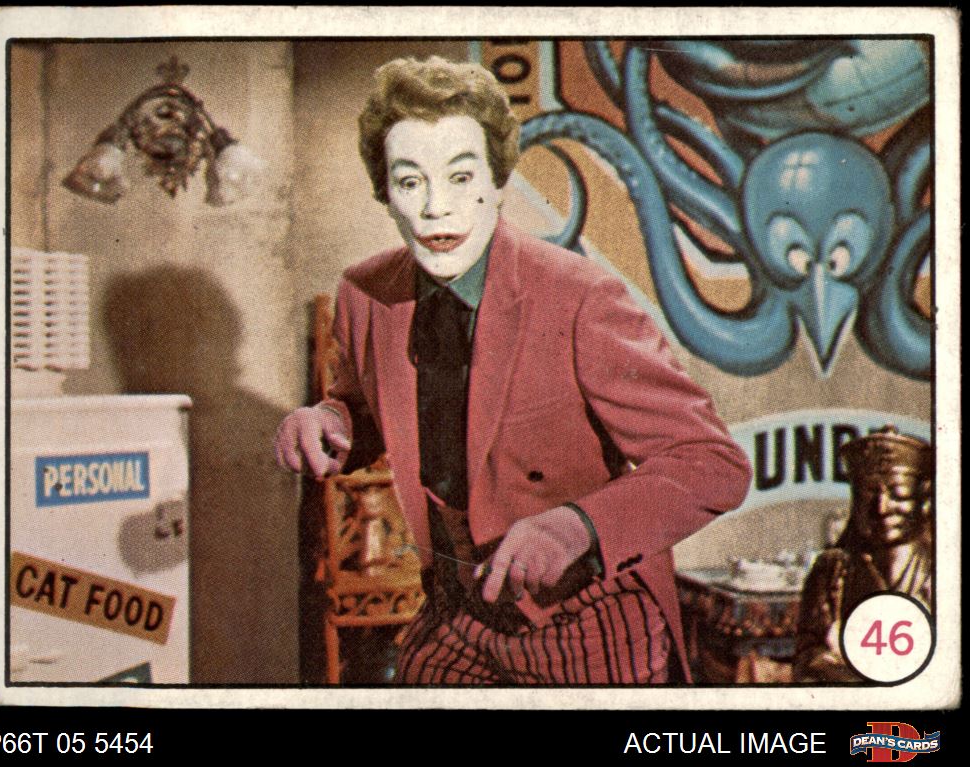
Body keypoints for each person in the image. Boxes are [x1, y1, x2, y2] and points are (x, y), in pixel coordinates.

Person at [276, 56, 751, 684]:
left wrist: (575, 527)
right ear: (384, 192)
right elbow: (367, 404)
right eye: (410, 181)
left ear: (498, 181)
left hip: (586, 616)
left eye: (461, 177)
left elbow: (712, 463)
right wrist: (330, 420)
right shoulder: (367, 294)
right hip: (455, 610)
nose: (437, 208)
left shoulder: (579, 297)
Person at [793, 426, 932, 683]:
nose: (881, 508)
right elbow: (808, 660)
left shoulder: (942, 570)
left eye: (898, 495)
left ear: (922, 497)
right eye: (867, 493)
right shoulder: (832, 569)